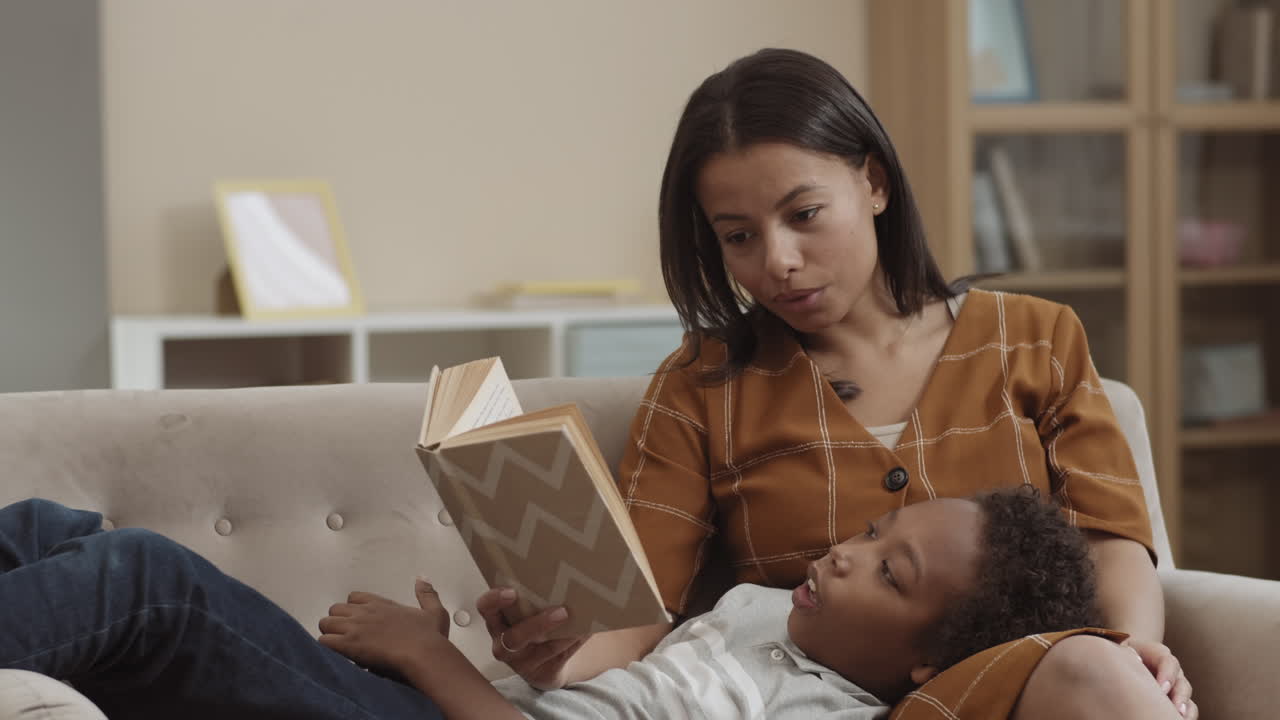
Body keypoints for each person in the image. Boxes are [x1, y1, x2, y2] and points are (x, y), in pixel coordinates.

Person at [476, 48, 1198, 720]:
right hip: (810, 704)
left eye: (804, 215)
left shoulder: (1037, 339)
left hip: (1032, 695)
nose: (777, 261)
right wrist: (558, 657)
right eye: (739, 236)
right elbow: (639, 610)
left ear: (874, 183)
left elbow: (1111, 538)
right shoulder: (701, 386)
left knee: (1089, 671)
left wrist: (1132, 649)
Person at [0, 488, 1104, 719]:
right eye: (872, 532)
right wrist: (449, 659)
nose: (847, 556)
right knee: (56, 533)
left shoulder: (824, 718)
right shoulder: (764, 608)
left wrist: (428, 672)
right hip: (438, 708)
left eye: (890, 574)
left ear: (927, 665)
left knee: (141, 580)